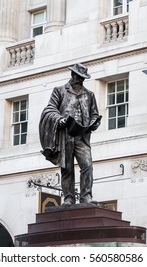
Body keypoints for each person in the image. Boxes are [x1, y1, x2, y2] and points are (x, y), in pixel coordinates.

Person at [39, 63, 101, 206]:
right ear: (72, 75)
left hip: (82, 137)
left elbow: (94, 114)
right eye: (78, 77)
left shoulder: (89, 95)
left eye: (82, 78)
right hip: (65, 136)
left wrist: (94, 123)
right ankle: (69, 198)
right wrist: (59, 119)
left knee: (87, 165)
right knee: (67, 168)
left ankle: (86, 196)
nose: (80, 80)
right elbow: (50, 109)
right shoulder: (59, 91)